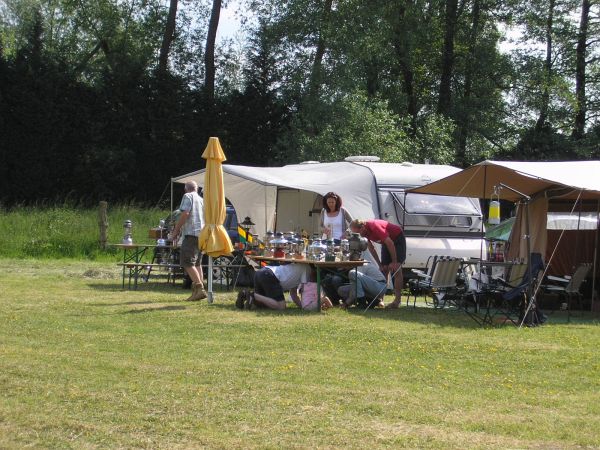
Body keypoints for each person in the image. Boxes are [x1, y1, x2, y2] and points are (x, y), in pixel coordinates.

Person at [349, 218, 406, 309]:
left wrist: (394, 262)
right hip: (386, 242)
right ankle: (380, 300)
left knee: (396, 269)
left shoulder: (374, 226)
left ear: (362, 228)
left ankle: (397, 301)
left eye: (358, 233)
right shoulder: (363, 233)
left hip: (397, 238)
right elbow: (371, 248)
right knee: (384, 269)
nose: (358, 236)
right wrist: (380, 265)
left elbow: (390, 243)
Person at [236, 263, 332, 310]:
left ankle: (247, 295)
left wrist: (301, 307)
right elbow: (305, 292)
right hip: (270, 276)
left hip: (261, 272)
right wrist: (307, 306)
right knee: (281, 307)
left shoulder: (297, 268)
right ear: (314, 270)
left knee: (264, 305)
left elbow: (293, 294)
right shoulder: (307, 269)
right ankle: (253, 295)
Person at [171, 181, 207, 302]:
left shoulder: (187, 196)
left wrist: (176, 231)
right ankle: (199, 291)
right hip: (202, 234)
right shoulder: (202, 200)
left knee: (187, 262)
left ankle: (199, 289)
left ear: (186, 189)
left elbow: (185, 213)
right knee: (197, 263)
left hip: (191, 234)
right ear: (197, 189)